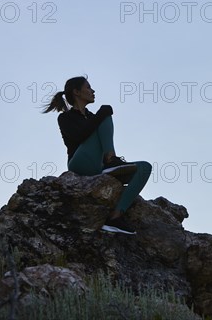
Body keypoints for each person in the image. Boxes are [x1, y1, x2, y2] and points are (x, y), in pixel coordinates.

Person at [42, 75, 152, 234]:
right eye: (88, 87)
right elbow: (79, 136)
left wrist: (100, 115)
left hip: (100, 167)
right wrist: (102, 115)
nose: (92, 91)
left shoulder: (95, 117)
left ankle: (116, 217)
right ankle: (111, 159)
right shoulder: (65, 117)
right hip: (79, 163)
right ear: (77, 92)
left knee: (144, 168)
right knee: (105, 114)